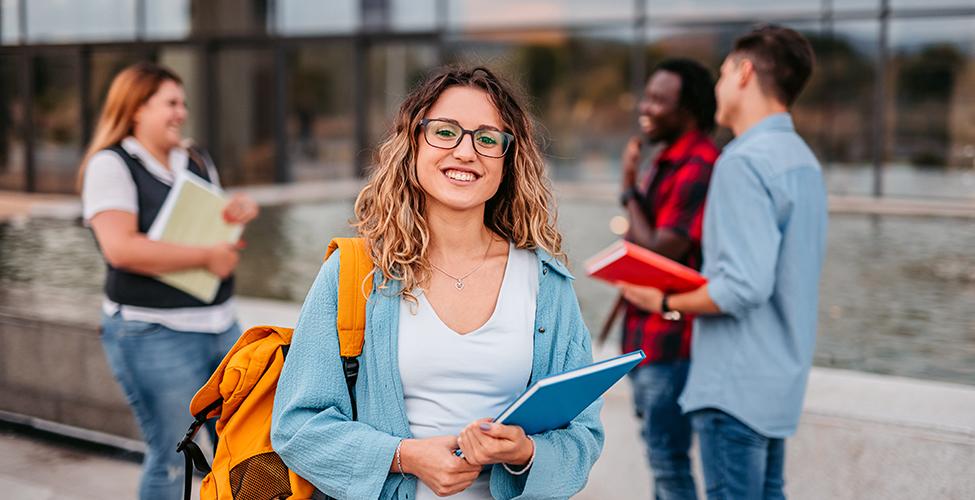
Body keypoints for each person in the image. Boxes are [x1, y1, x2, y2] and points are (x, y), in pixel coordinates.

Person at [271, 66, 604, 500]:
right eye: (445, 132)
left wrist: (526, 453)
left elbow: (584, 434)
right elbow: (298, 425)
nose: (466, 152)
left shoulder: (546, 284)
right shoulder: (356, 272)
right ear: (412, 144)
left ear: (509, 159)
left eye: (487, 138)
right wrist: (403, 456)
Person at [619, 25, 827, 500]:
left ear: (744, 72)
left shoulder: (743, 161)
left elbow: (741, 287)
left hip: (732, 387)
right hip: (778, 384)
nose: (716, 87)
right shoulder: (802, 161)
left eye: (721, 73)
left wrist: (663, 299)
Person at [78, 62, 259, 500]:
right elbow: (120, 249)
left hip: (221, 326)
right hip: (152, 333)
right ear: (136, 109)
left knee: (243, 452)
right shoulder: (112, 164)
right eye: (171, 103)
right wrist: (205, 256)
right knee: (172, 455)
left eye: (183, 102)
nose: (182, 112)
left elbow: (212, 230)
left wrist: (234, 215)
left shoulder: (194, 157)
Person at [618, 58, 718, 500]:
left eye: (660, 99)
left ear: (688, 110)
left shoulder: (698, 164)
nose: (646, 107)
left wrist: (628, 190)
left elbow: (657, 253)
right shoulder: (668, 160)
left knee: (667, 462)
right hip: (651, 337)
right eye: (647, 95)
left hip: (672, 341)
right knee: (662, 460)